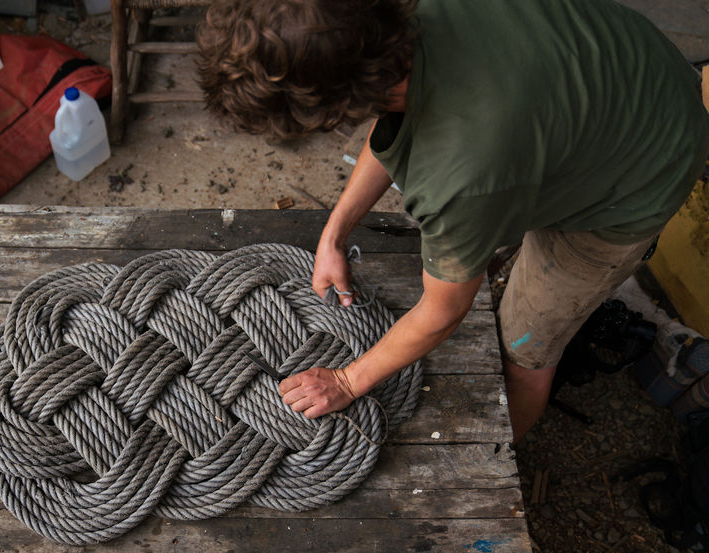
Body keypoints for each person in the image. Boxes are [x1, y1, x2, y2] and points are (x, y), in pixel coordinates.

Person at [197, 0, 709, 443]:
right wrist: (335, 233)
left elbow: (443, 313)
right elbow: (398, 114)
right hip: (622, 70)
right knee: (479, 238)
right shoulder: (394, 31)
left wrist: (348, 382)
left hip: (641, 168)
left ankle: (506, 461)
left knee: (526, 348)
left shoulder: (461, 176)